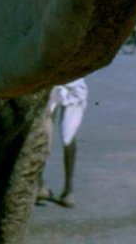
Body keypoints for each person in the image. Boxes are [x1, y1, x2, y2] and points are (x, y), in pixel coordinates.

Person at [36, 78, 88, 208]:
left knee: (44, 132)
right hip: (74, 84)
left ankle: (38, 184)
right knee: (68, 136)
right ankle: (68, 191)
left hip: (52, 82)